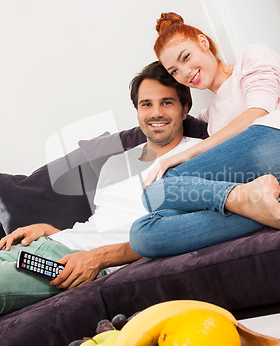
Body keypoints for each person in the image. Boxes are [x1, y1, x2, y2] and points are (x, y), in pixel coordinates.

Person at [0, 61, 203, 316]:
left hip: (75, 263)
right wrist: (50, 231)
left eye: (167, 102)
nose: (156, 113)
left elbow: (180, 232)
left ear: (185, 109)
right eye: (146, 104)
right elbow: (102, 225)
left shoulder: (198, 155)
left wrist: (99, 259)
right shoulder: (116, 162)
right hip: (47, 246)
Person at [129, 12, 280, 258]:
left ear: (203, 43)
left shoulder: (251, 58)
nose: (185, 73)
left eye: (186, 57)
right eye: (174, 71)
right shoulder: (211, 116)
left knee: (156, 189)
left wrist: (185, 154)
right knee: (143, 235)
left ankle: (254, 202)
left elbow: (257, 113)